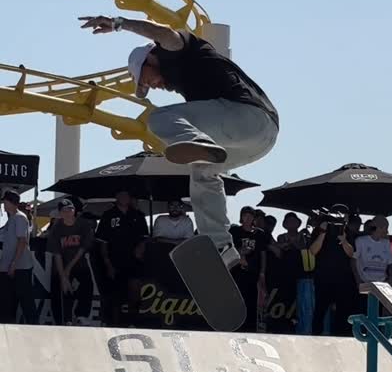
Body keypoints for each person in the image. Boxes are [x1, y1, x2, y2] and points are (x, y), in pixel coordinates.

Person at [79, 14, 279, 272]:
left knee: (158, 117)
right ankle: (221, 246)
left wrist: (120, 24)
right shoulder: (187, 86)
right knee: (202, 171)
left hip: (248, 116)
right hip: (259, 141)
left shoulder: (180, 52)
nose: (152, 85)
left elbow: (163, 33)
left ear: (150, 59)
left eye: (145, 79)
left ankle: (196, 140)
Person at [95, 189, 149, 326]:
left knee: (135, 291)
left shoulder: (138, 215)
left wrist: (141, 247)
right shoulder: (108, 215)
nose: (124, 198)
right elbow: (102, 242)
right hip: (114, 260)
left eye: (127, 195)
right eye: (121, 195)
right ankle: (115, 324)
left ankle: (133, 322)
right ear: (116, 197)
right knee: (115, 295)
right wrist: (107, 263)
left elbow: (145, 237)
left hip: (134, 260)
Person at [47, 198, 94, 325]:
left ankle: (82, 315)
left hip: (78, 262)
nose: (68, 213)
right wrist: (63, 276)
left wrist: (68, 270)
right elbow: (56, 254)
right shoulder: (56, 228)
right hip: (61, 264)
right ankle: (64, 320)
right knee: (61, 289)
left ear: (74, 211)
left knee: (87, 284)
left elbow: (82, 249)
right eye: (64, 210)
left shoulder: (83, 224)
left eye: (70, 209)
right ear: (60, 213)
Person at [309, 214, 357, 336]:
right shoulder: (319, 229)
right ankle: (315, 337)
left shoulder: (347, 231)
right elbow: (313, 251)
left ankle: (340, 336)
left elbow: (351, 253)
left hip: (343, 278)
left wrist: (344, 240)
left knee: (343, 311)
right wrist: (322, 233)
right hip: (323, 277)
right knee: (320, 310)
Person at [0, 189, 37, 324]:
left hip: (20, 267)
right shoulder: (11, 219)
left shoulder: (20, 218)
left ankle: (34, 327)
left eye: (5, 201)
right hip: (8, 267)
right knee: (7, 300)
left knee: (26, 299)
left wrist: (14, 263)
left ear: (10, 202)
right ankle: (7, 325)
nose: (3, 204)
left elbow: (22, 241)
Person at [229, 206, 267, 331]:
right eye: (245, 215)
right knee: (237, 301)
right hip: (237, 273)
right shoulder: (234, 231)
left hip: (253, 273)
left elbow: (263, 253)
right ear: (241, 217)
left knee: (252, 302)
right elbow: (229, 248)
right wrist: (241, 252)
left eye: (250, 216)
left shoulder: (259, 233)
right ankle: (235, 328)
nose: (248, 218)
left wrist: (262, 272)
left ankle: (250, 329)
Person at [352, 214, 392, 285]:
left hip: (382, 283)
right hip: (365, 282)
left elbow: (390, 263)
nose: (387, 231)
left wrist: (391, 281)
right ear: (379, 228)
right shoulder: (360, 241)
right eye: (386, 228)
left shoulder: (387, 243)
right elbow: (353, 261)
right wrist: (358, 281)